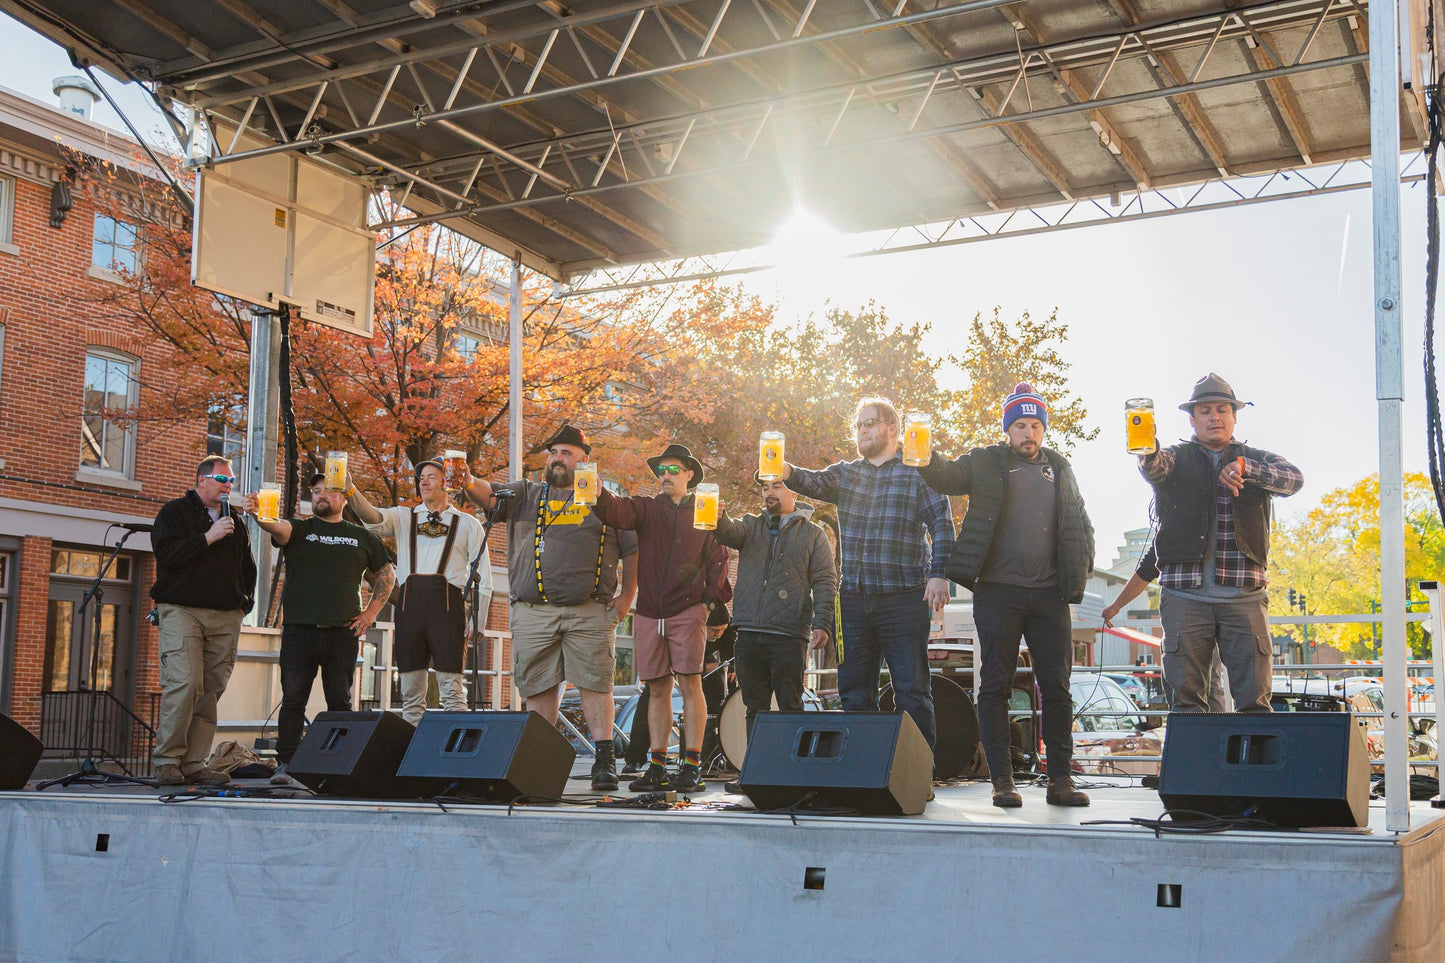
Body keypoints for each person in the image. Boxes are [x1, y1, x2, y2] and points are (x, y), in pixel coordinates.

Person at [915, 383, 1095, 808]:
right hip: (998, 592)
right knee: (994, 683)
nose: (1028, 433)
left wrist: (1082, 563)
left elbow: (1080, 520)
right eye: (1019, 425)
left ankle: (1061, 780)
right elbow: (944, 476)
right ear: (1008, 429)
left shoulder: (1061, 467)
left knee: (1057, 687)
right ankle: (1002, 780)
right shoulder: (986, 461)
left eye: (1035, 425)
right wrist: (920, 450)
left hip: (1050, 594)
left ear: (1043, 429)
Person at [462, 424, 637, 791]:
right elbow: (486, 495)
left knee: (594, 682)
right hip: (533, 611)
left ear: (584, 460)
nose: (558, 459)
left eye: (566, 453)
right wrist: (464, 477)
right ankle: (540, 761)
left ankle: (604, 759)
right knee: (537, 685)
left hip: (589, 609)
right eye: (554, 452)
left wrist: (626, 598)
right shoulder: (525, 494)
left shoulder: (605, 500)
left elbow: (634, 550)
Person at [782, 398, 953, 750]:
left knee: (911, 691)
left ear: (893, 428)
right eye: (859, 425)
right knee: (854, 692)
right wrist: (784, 471)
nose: (863, 430)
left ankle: (918, 778)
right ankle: (865, 772)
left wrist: (939, 574)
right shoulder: (847, 473)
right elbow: (812, 482)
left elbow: (943, 523)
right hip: (854, 602)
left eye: (870, 423)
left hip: (905, 598)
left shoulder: (919, 470)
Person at [1139, 373, 1302, 713]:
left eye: (1223, 409)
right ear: (1192, 418)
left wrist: (1246, 467)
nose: (1215, 416)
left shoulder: (1254, 457)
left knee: (1255, 703)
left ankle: (1253, 767)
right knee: (1186, 702)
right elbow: (1155, 467)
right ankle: (1194, 768)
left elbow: (1294, 479)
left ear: (1234, 416)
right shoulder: (1175, 458)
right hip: (1185, 597)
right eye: (1206, 410)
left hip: (1245, 597)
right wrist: (1146, 448)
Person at [592, 443, 729, 793]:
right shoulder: (646, 507)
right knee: (656, 688)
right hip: (650, 609)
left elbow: (718, 557)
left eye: (672, 470)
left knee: (690, 684)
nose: (664, 476)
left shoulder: (705, 508)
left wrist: (711, 604)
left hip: (688, 608)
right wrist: (595, 490)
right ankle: (656, 766)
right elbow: (616, 511)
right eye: (661, 470)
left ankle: (691, 765)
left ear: (688, 474)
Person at [246, 473, 395, 786]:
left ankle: (337, 763)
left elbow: (386, 573)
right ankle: (287, 762)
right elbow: (276, 527)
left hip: (342, 633)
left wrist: (369, 613)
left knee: (340, 702)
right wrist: (261, 515)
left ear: (343, 498)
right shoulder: (301, 528)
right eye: (315, 491)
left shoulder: (361, 536)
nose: (320, 496)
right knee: (292, 699)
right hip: (300, 631)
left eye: (327, 491)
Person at [349, 460, 488, 724]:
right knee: (411, 693)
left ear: (447, 482)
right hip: (409, 609)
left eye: (431, 477)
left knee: (452, 691)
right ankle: (411, 756)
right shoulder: (404, 517)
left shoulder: (469, 524)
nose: (423, 482)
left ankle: (455, 756)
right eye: (421, 477)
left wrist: (478, 619)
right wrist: (350, 490)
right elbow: (372, 516)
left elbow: (486, 577)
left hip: (448, 610)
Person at [149, 457, 257, 786]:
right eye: (222, 478)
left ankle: (194, 762)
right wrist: (208, 537)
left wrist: (243, 605)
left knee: (211, 690)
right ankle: (168, 760)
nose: (228, 485)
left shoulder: (234, 521)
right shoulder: (174, 513)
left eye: (231, 480)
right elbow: (166, 555)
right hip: (183, 610)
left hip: (226, 615)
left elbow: (247, 568)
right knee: (185, 683)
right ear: (201, 480)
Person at [713, 475, 836, 742]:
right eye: (765, 487)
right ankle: (755, 777)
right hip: (747, 633)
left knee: (790, 708)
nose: (769, 492)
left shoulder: (813, 535)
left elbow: (825, 581)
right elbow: (726, 532)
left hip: (788, 635)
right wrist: (718, 517)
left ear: (794, 492)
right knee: (754, 710)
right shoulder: (750, 526)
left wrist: (822, 622)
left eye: (777, 486)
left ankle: (790, 778)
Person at [1101, 543, 1231, 712]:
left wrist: (1116, 606)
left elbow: (1147, 568)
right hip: (1212, 606)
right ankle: (1214, 733)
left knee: (1187, 684)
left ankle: (1199, 733)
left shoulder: (1174, 527)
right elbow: (1148, 567)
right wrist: (1116, 605)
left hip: (1186, 610)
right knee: (1209, 683)